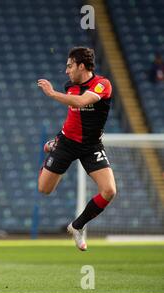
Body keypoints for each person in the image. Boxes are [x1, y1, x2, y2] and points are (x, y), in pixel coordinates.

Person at [37, 47, 117, 251]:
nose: (66, 71)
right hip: (67, 142)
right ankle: (55, 145)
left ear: (82, 66)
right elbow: (74, 116)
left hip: (91, 146)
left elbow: (82, 103)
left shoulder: (102, 84)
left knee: (109, 191)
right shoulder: (69, 86)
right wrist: (59, 140)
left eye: (69, 66)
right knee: (44, 189)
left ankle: (77, 226)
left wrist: (52, 93)